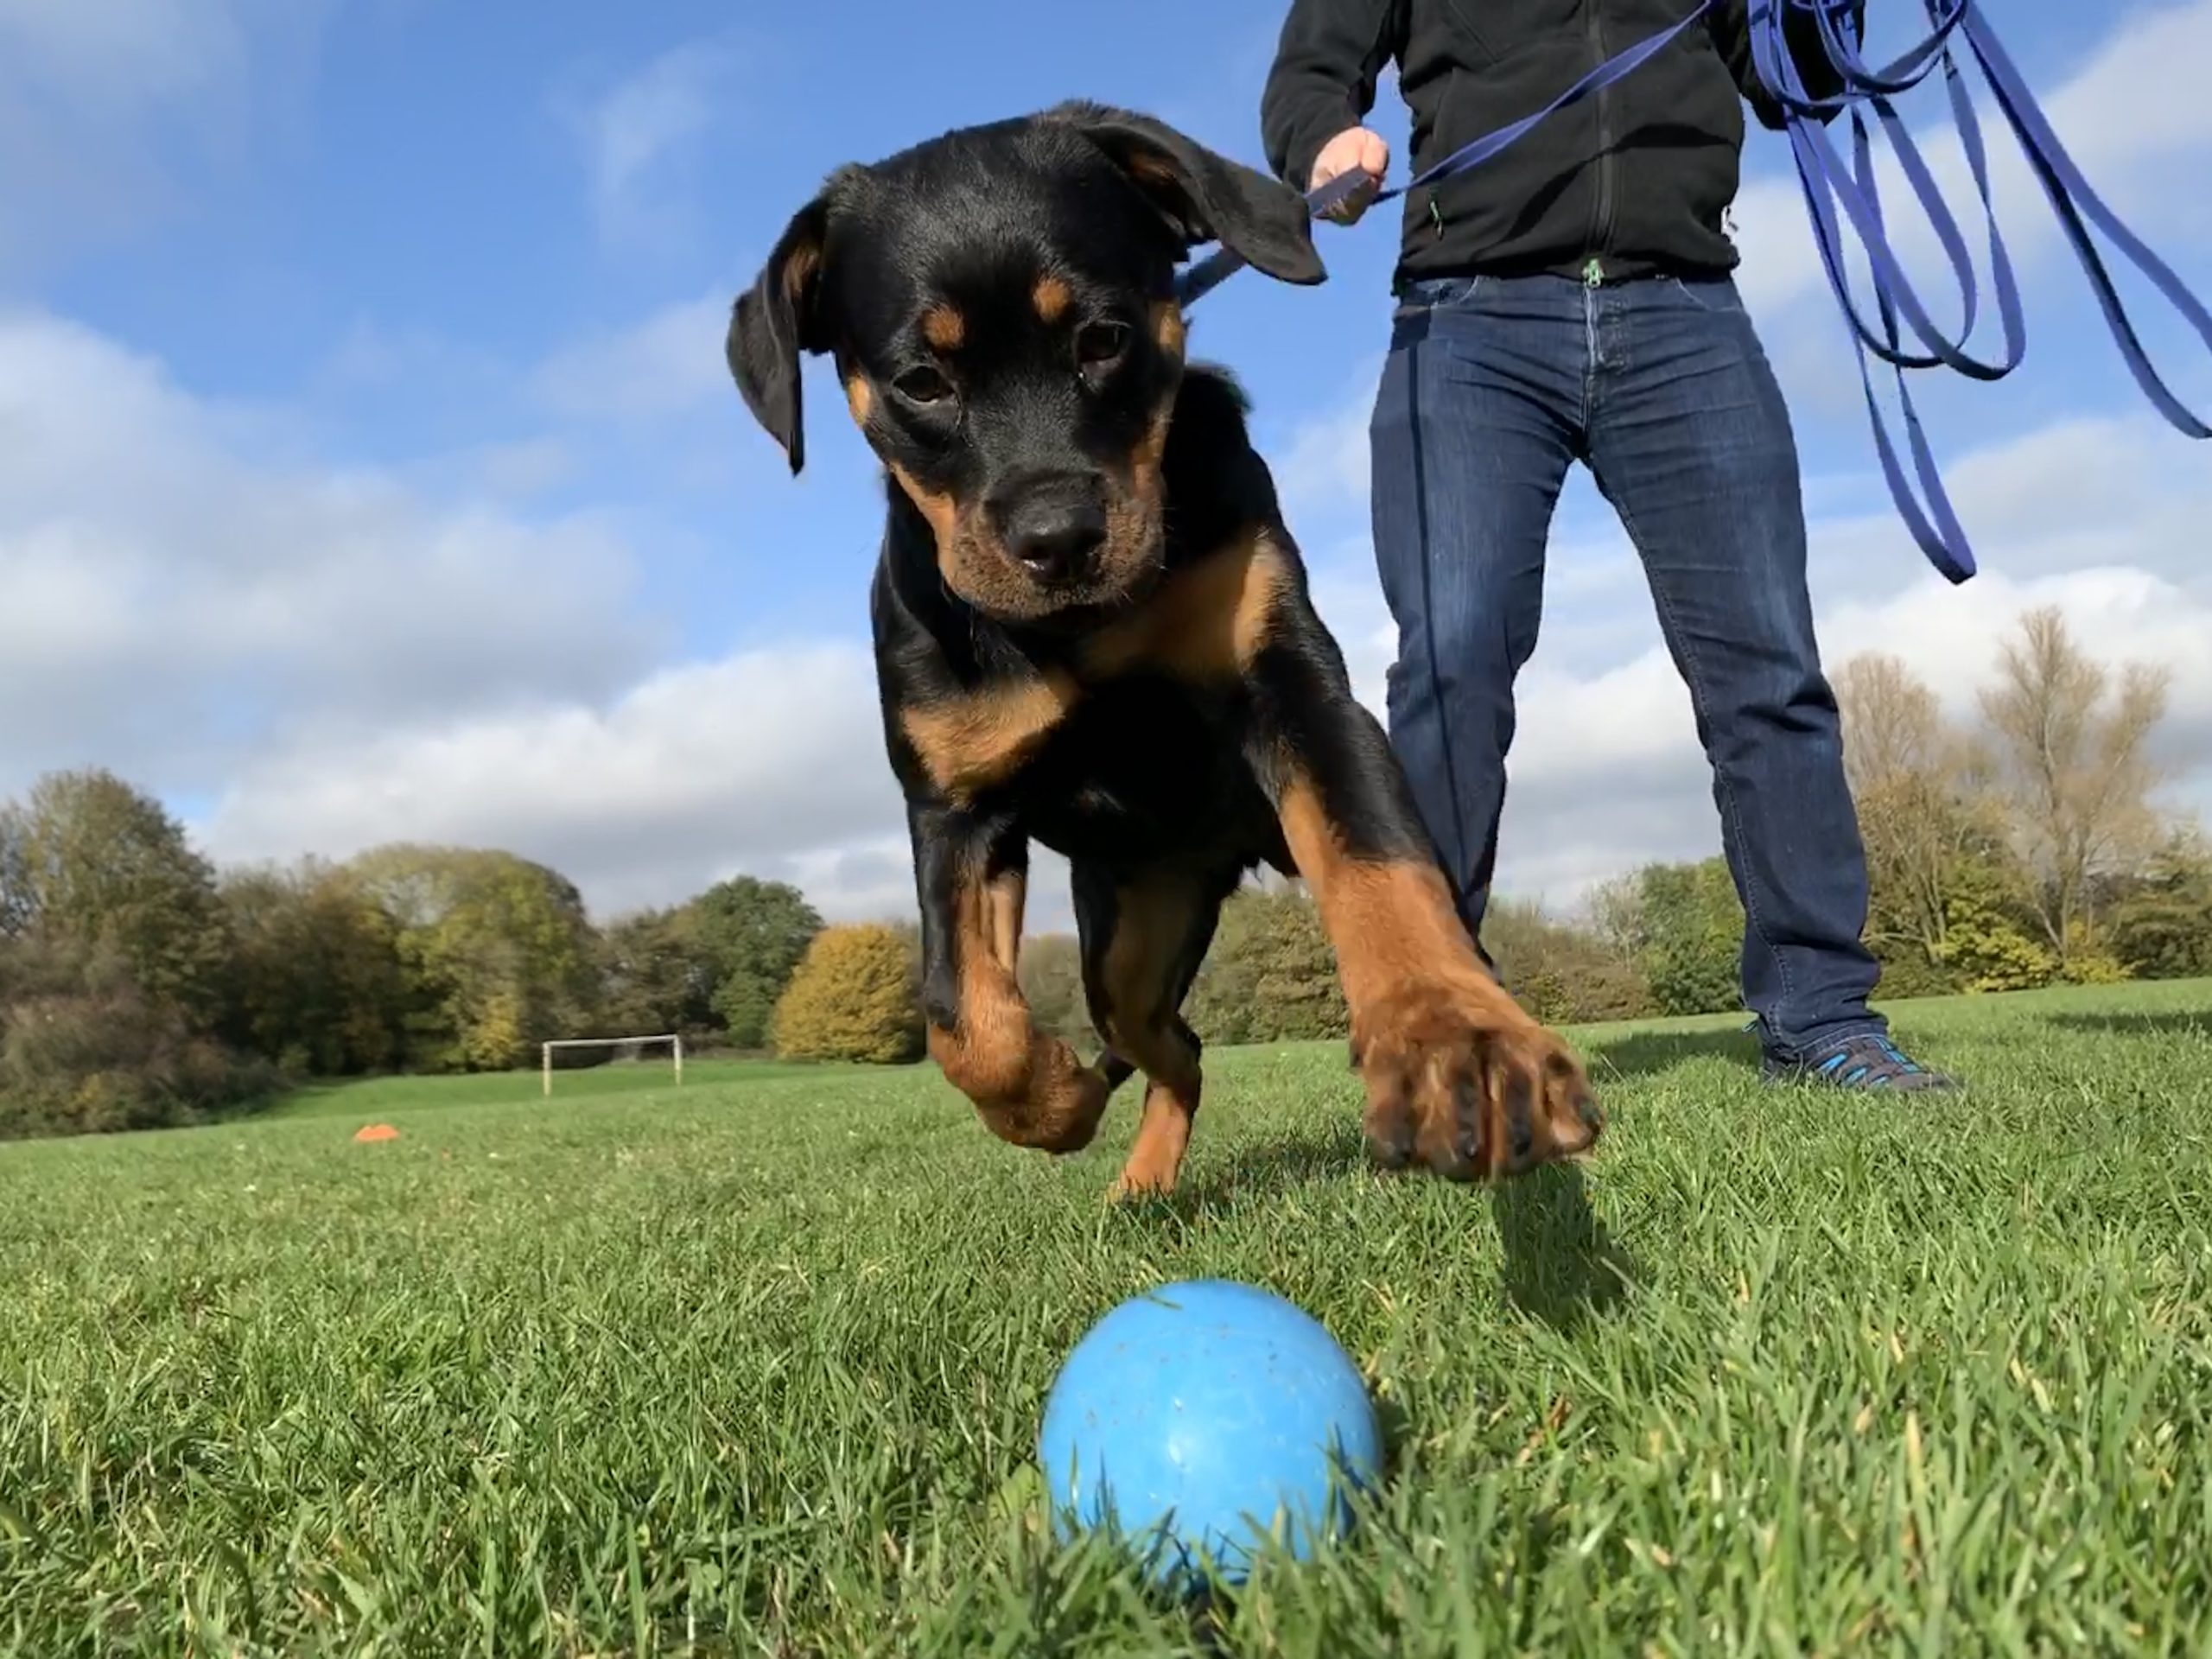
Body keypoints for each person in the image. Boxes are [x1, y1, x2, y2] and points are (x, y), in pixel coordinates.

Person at [1259, 0, 1958, 1091]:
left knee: (1768, 674)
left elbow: (1794, 77)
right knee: (1451, 665)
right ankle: (1445, 1026)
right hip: (1470, 315)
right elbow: (1310, 76)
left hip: (1684, 311)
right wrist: (1319, 142)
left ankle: (1823, 1019)